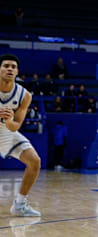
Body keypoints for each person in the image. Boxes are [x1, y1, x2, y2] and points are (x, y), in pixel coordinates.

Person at [0, 54, 42, 216]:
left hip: (6, 132)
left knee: (34, 161)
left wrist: (9, 120)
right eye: (6, 66)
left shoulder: (24, 95)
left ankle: (19, 205)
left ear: (17, 72)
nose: (9, 69)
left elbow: (15, 126)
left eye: (13, 67)